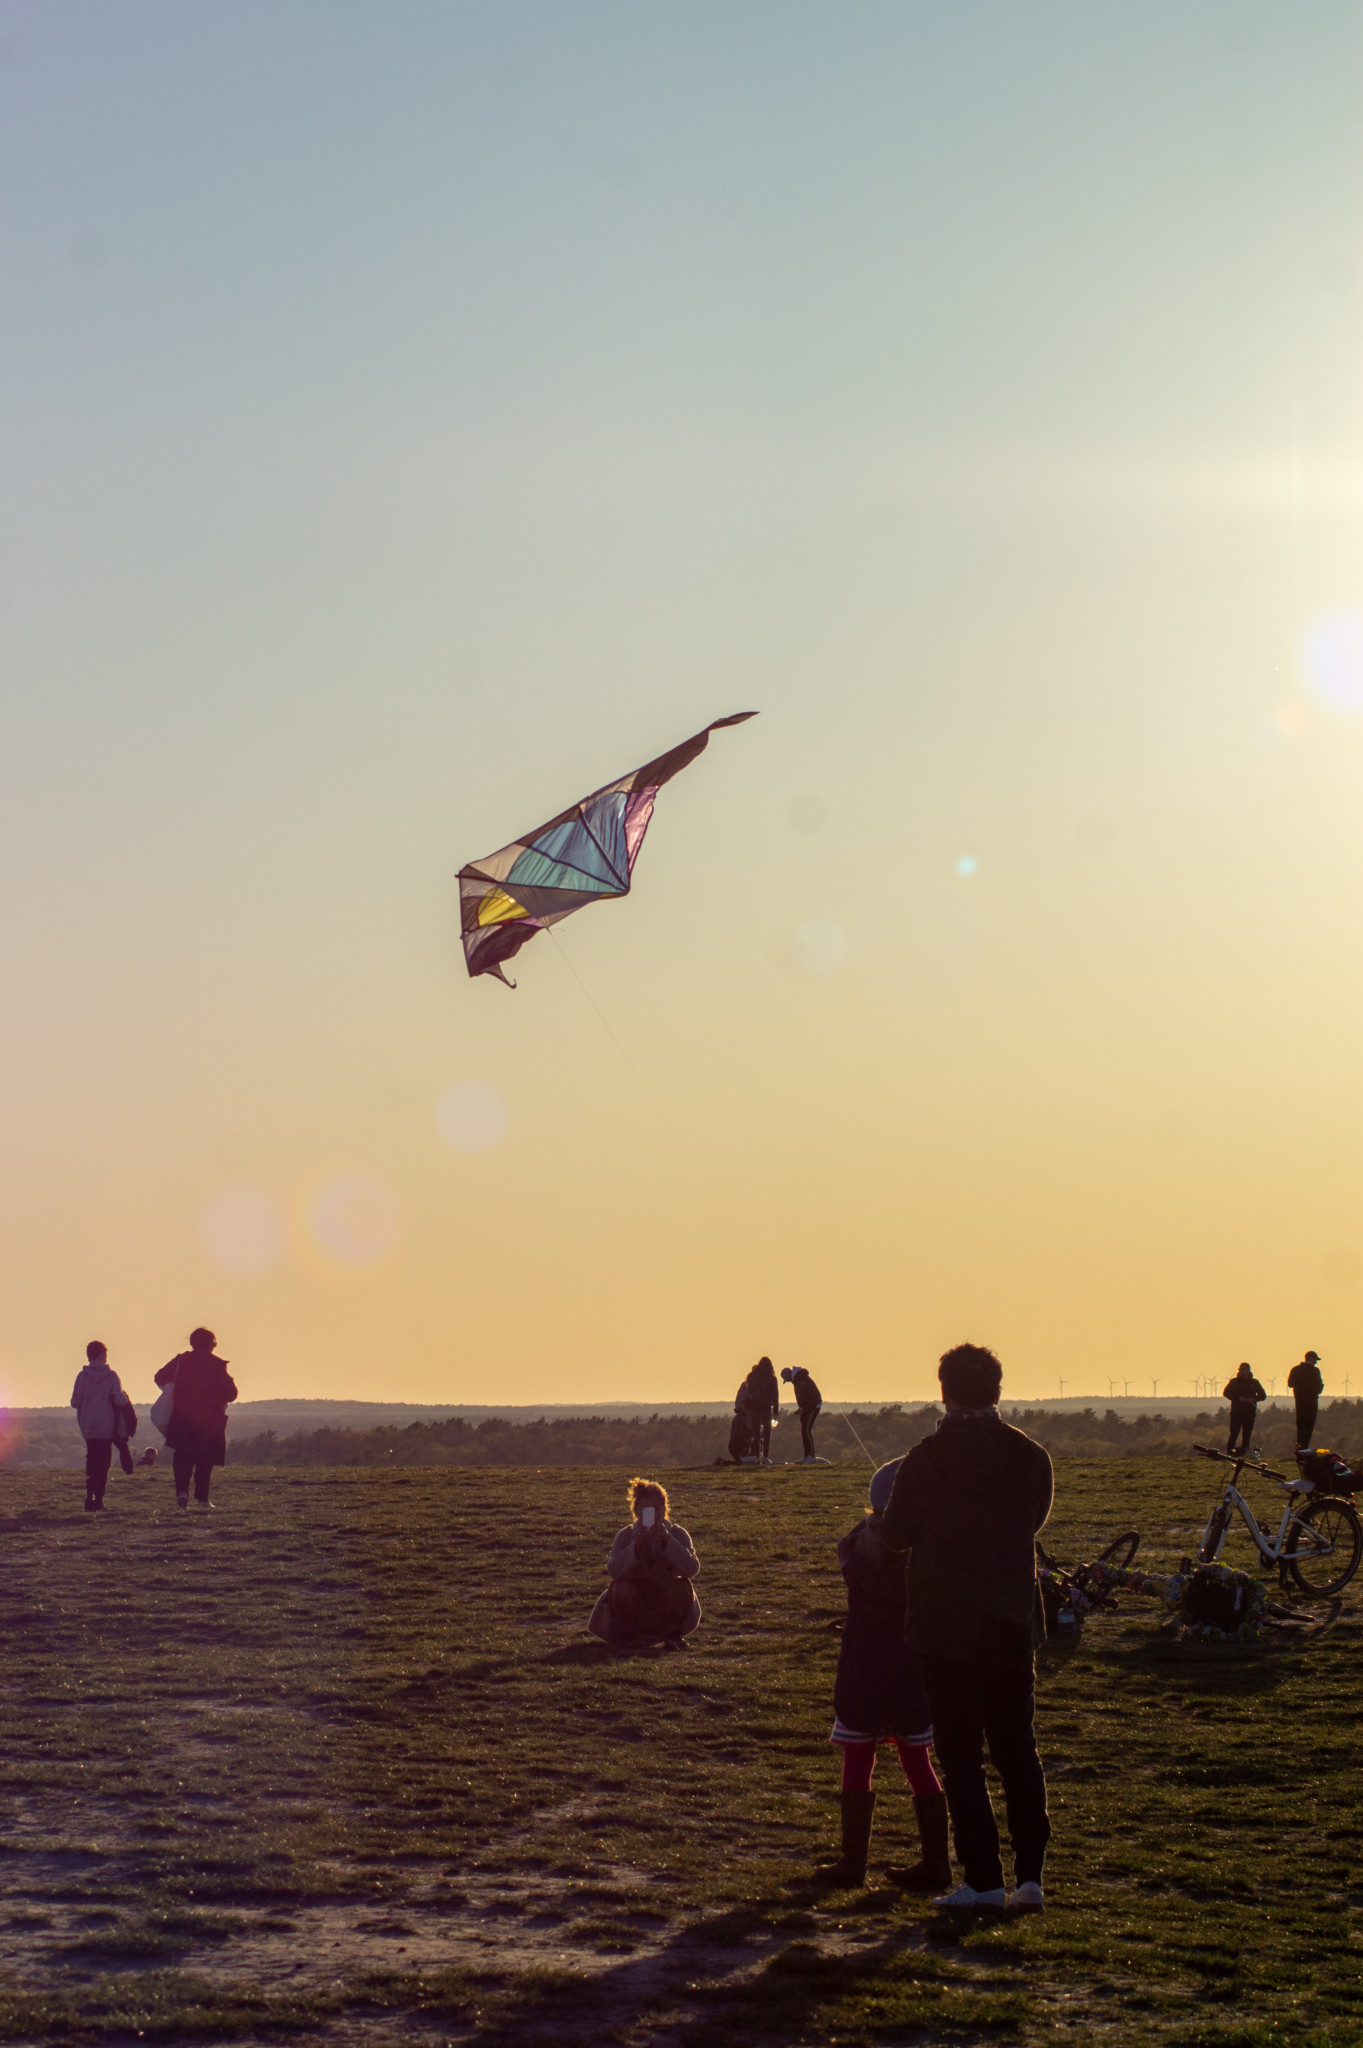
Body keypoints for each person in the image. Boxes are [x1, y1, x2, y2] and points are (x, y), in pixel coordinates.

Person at [881, 1342, 1054, 1913]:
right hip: (1009, 1617)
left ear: (944, 1391)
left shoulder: (924, 1459)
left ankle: (982, 1881)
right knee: (1017, 1751)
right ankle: (1030, 1879)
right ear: (997, 1391)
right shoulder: (1031, 1457)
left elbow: (896, 1533)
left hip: (944, 1624)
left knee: (961, 1757)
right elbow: (1034, 1521)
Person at [811, 1457, 950, 1892]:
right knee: (917, 1759)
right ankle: (936, 1862)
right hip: (911, 1667)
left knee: (858, 1757)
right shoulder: (928, 1553)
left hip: (864, 1666)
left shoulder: (854, 1547)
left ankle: (853, 1862)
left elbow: (851, 1547)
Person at [587, 1478, 701, 1651]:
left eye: (656, 1509)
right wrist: (635, 1548)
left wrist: (668, 1542)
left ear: (664, 1510)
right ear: (637, 1511)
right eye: (646, 1509)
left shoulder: (677, 1533)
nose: (652, 1514)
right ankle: (627, 1636)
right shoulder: (625, 1535)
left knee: (682, 1587)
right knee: (619, 1587)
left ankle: (673, 1636)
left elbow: (691, 1569)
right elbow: (614, 1572)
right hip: (634, 1599)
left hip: (665, 1597)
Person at [154, 1327, 238, 1509]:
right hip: (210, 1420)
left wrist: (174, 1388)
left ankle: (182, 1493)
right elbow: (232, 1394)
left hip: (182, 1418)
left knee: (182, 1458)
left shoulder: (181, 1361)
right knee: (204, 1460)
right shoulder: (217, 1365)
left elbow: (159, 1377)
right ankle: (202, 1499)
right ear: (211, 1344)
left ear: (192, 1343)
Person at [70, 1340, 136, 1512]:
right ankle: (99, 1499)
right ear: (101, 1355)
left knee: (91, 1459)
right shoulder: (111, 1376)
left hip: (88, 1425)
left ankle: (89, 1495)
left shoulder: (81, 1376)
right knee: (103, 1463)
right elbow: (120, 1401)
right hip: (107, 1425)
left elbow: (74, 1402)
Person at [781, 1364, 823, 1462]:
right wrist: (801, 1408)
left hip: (813, 1406)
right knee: (805, 1430)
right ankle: (807, 1456)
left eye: (787, 1380)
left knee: (806, 1430)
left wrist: (803, 1408)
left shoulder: (800, 1379)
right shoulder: (798, 1379)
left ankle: (811, 1456)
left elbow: (807, 1396)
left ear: (788, 1376)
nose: (788, 1382)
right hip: (808, 1407)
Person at [1223, 1361, 1266, 1456]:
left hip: (1249, 1412)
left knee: (1247, 1434)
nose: (1240, 1371)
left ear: (1248, 1371)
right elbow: (1226, 1393)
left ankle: (1244, 1452)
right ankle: (1229, 1452)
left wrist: (1253, 1399)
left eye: (1243, 1369)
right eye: (1239, 1369)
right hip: (1236, 1412)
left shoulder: (1254, 1382)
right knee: (1234, 1433)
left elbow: (1263, 1395)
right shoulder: (1234, 1382)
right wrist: (1238, 1398)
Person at [745, 1357, 781, 1464]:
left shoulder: (755, 1378)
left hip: (755, 1408)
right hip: (766, 1409)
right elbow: (775, 1396)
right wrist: (776, 1411)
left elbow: (749, 1392)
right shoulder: (772, 1379)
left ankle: (757, 1458)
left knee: (756, 1434)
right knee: (767, 1434)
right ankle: (765, 1457)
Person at [1288, 1351, 1323, 1451]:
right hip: (1311, 1402)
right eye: (1315, 1360)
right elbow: (1318, 1387)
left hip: (1299, 1401)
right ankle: (1304, 1448)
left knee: (1300, 1425)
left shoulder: (1295, 1369)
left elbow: (1290, 1384)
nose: (1316, 1362)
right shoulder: (1315, 1371)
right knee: (1309, 1426)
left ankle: (1299, 1447)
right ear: (1311, 1359)